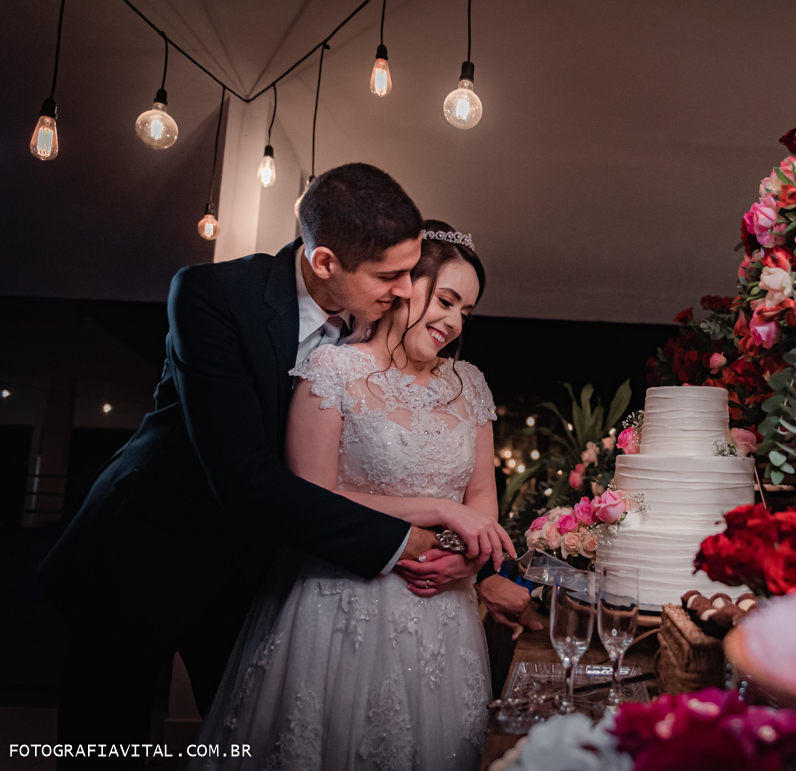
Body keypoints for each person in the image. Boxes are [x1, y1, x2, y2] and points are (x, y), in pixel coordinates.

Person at [35, 165, 508, 768]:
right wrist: (424, 533)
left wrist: (469, 555)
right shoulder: (214, 297)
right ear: (326, 263)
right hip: (149, 552)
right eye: (392, 276)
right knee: (103, 746)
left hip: (260, 573)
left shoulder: (376, 325)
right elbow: (247, 482)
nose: (404, 290)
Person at [191, 222, 509, 770]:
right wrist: (437, 509)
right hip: (336, 601)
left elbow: (481, 496)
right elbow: (309, 495)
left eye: (466, 311)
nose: (454, 322)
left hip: (444, 615)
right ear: (405, 284)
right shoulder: (331, 369)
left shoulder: (469, 384)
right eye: (448, 300)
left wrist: (465, 558)